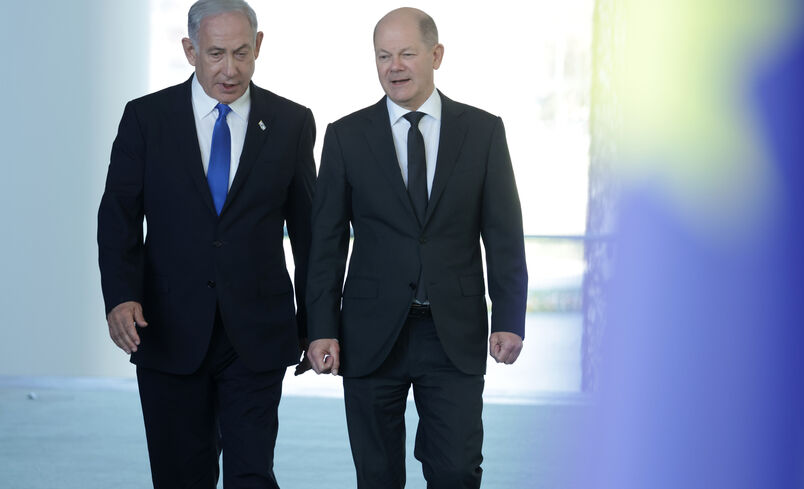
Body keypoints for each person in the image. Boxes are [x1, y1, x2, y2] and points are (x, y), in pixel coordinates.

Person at [306, 7, 528, 488]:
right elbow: (325, 244)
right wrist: (320, 328)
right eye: (383, 56)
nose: (395, 66)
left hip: (453, 333)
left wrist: (510, 317)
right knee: (378, 476)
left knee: (456, 471)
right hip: (369, 334)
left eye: (407, 53)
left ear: (436, 55)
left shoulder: (483, 132)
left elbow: (504, 235)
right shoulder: (346, 136)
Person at [97, 0, 315, 487]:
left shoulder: (291, 122)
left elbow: (308, 233)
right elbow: (118, 218)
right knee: (180, 476)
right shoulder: (146, 119)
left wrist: (314, 322)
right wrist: (121, 297)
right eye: (216, 53)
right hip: (167, 328)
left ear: (258, 47)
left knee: (251, 474)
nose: (230, 69)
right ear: (190, 49)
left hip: (256, 334)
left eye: (242, 52)